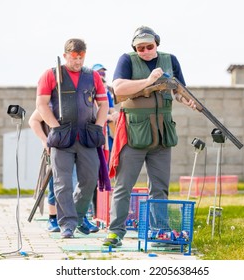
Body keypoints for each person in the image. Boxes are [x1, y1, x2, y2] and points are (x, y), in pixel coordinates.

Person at [103, 26, 196, 247]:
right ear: (134, 47)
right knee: (123, 186)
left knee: (160, 187)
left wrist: (188, 100)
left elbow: (179, 90)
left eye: (149, 46)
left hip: (162, 133)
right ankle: (115, 232)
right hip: (134, 132)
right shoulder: (126, 60)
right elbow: (118, 87)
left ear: (157, 44)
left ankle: (159, 233)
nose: (144, 51)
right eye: (140, 47)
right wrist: (149, 81)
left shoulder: (170, 60)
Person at [36, 38, 109, 238]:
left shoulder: (92, 76)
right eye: (74, 57)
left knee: (89, 179)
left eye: (81, 57)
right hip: (61, 139)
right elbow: (41, 104)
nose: (78, 61)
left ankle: (76, 216)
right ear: (66, 54)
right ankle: (67, 224)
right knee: (62, 183)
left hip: (87, 136)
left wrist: (99, 126)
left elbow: (103, 104)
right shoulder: (51, 75)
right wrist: (54, 127)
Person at [28, 109, 98, 233]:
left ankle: (79, 217)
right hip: (59, 146)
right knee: (59, 183)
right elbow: (33, 120)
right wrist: (44, 140)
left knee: (82, 182)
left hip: (81, 145)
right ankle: (53, 218)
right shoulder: (54, 99)